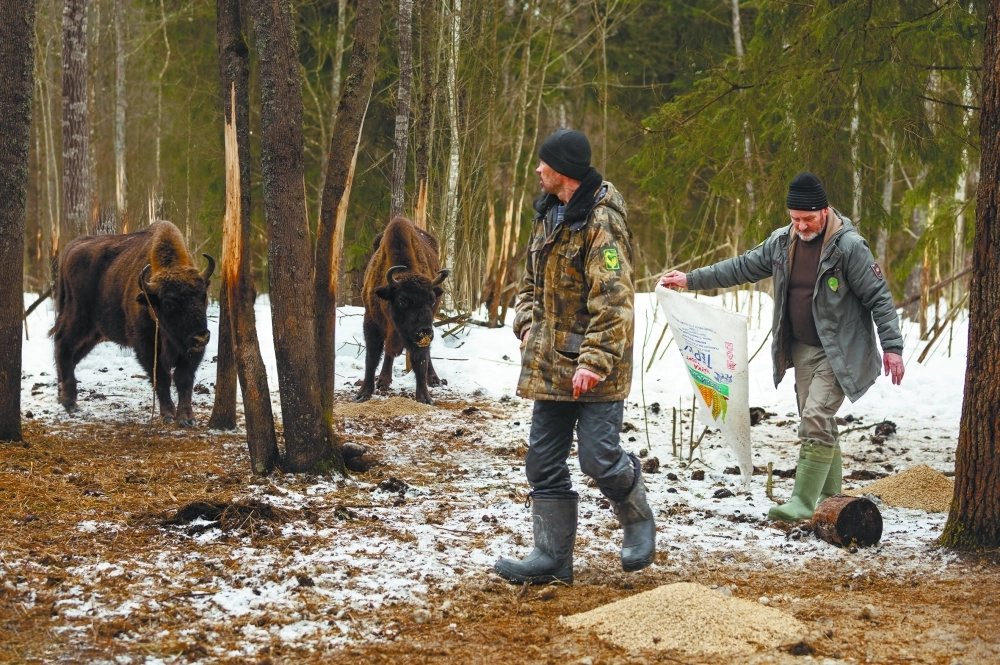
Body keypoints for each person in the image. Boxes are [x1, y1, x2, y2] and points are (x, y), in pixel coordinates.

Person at [659, 173, 904, 522]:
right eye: (794, 219)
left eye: (807, 219)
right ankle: (832, 501)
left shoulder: (849, 247)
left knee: (816, 417)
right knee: (816, 419)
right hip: (802, 349)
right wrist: (690, 279)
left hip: (841, 351)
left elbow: (880, 298)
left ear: (824, 211)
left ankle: (802, 504)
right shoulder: (781, 243)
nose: (801, 226)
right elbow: (740, 267)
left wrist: (892, 347)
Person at [493, 129, 654, 585]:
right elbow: (529, 283)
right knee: (542, 463)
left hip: (597, 367)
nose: (537, 170)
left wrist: (594, 361)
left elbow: (615, 300)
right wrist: (525, 323)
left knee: (599, 458)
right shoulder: (547, 214)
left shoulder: (603, 221)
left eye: (543, 164)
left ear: (561, 170)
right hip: (550, 363)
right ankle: (550, 558)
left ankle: (639, 521)